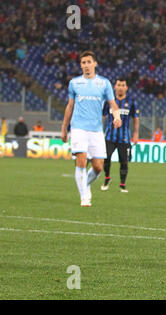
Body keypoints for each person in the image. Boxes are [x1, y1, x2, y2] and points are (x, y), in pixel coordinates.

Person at [61, 51, 122, 207]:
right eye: (83, 63)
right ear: (81, 65)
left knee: (98, 167)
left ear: (95, 64)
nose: (86, 65)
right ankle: (84, 196)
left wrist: (117, 116)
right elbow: (70, 106)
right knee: (81, 160)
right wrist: (64, 128)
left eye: (89, 62)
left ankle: (85, 184)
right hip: (78, 127)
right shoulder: (74, 83)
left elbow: (113, 104)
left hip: (96, 130)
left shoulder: (104, 83)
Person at [101, 78, 140, 193]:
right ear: (115, 87)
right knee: (106, 158)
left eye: (123, 85)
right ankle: (107, 178)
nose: (121, 87)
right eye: (119, 85)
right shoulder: (109, 102)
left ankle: (122, 184)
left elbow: (136, 119)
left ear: (126, 88)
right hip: (109, 137)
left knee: (124, 161)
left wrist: (136, 134)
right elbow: (102, 117)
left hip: (125, 138)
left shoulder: (132, 102)